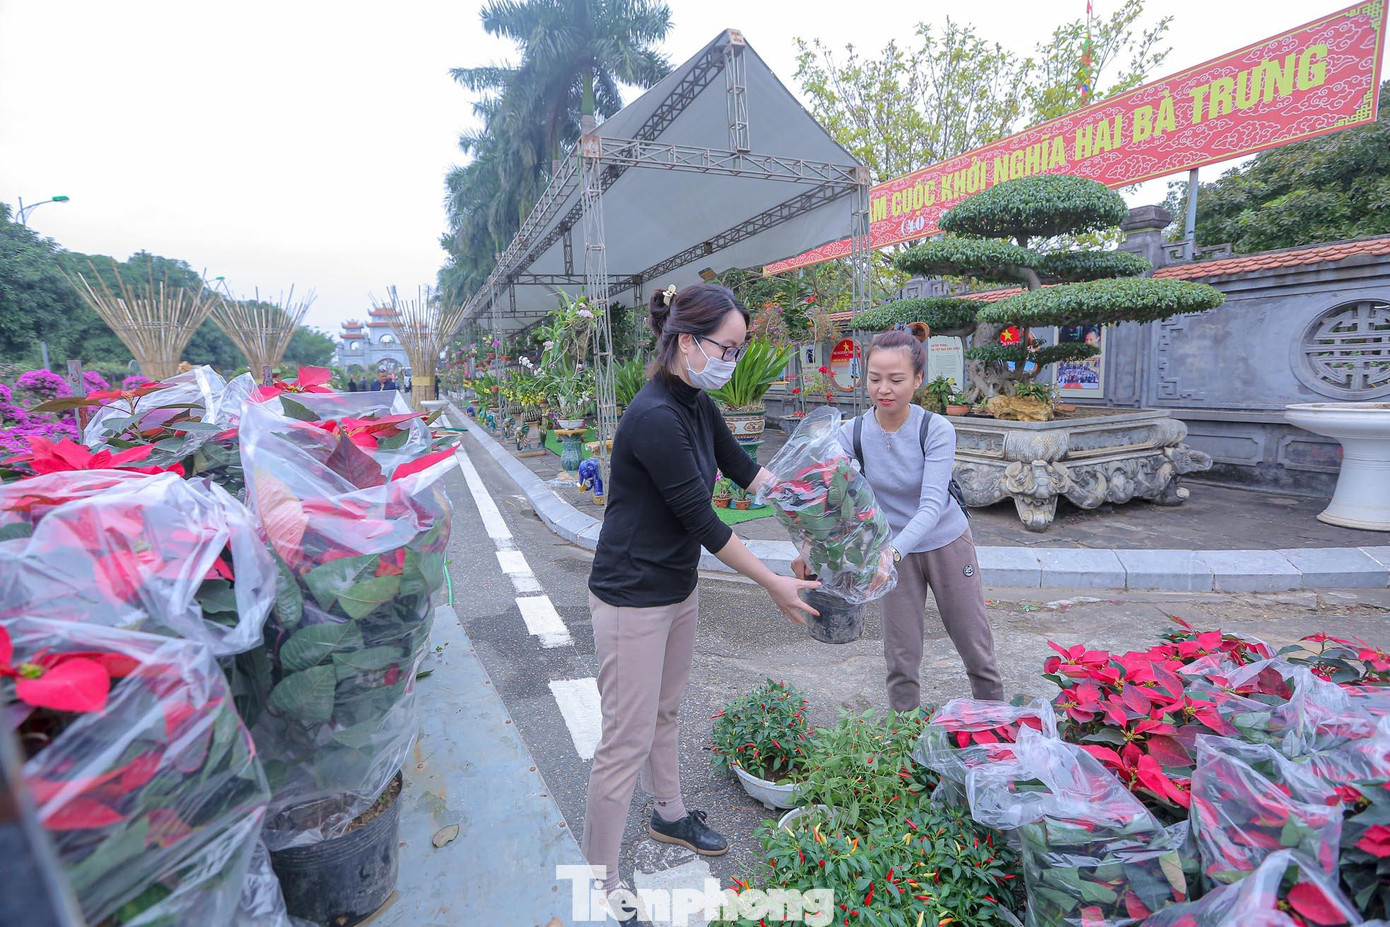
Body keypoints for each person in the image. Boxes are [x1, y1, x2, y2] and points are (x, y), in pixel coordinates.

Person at [584, 283, 820, 924]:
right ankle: (600, 886)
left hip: (676, 587)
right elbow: (702, 521)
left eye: (740, 350)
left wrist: (821, 516)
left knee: (665, 712)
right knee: (622, 743)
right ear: (688, 342)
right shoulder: (655, 415)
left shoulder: (696, 401)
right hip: (633, 597)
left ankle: (669, 816)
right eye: (728, 347)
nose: (733, 361)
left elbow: (747, 470)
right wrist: (773, 582)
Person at [794, 329, 1003, 711]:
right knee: (901, 656)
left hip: (944, 543)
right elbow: (836, 498)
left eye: (896, 379)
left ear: (918, 379)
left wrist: (891, 552)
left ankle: (997, 729)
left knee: (975, 646)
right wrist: (811, 542)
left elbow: (932, 504)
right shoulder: (851, 433)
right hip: (887, 554)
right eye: (874, 379)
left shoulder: (935, 429)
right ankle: (902, 748)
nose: (883, 389)